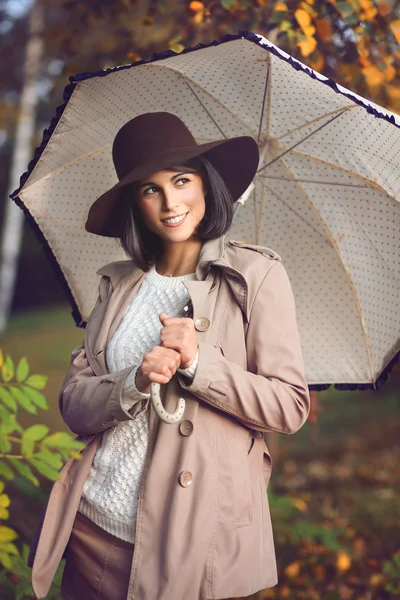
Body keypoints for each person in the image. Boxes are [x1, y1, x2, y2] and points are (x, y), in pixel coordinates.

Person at [28, 112, 310, 600]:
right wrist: (132, 382)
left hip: (191, 542)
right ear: (135, 204)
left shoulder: (256, 276)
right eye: (150, 190)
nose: (170, 202)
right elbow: (73, 404)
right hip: (95, 526)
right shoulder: (117, 283)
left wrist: (202, 365)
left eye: (182, 181)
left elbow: (289, 407)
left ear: (206, 185)